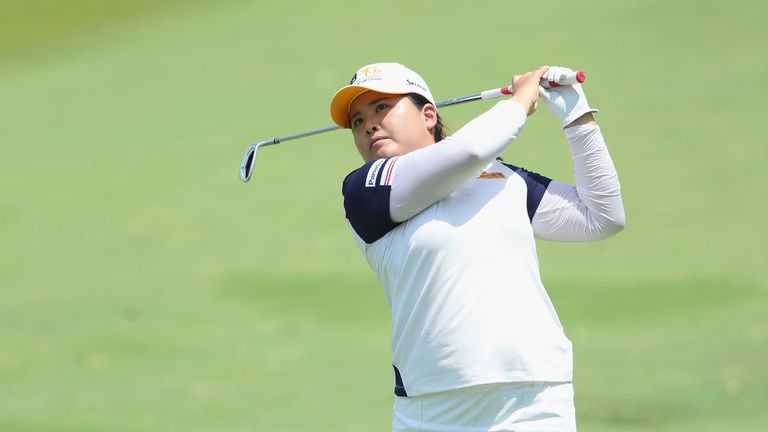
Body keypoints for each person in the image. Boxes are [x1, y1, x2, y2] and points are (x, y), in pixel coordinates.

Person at [329, 62, 625, 431]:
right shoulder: (366, 189)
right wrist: (520, 102)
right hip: (436, 409)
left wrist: (576, 115)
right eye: (357, 120)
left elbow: (601, 216)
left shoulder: (503, 178)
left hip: (536, 398)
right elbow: (468, 151)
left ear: (428, 114)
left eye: (381, 107)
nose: (369, 124)